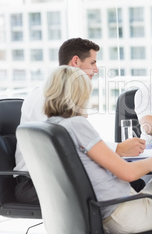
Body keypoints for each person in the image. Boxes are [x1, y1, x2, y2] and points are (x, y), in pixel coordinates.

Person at [43, 66, 152, 233]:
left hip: (102, 211)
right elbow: (127, 173)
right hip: (123, 214)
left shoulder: (52, 127)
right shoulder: (77, 125)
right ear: (79, 95)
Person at [14, 38, 145, 205]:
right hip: (35, 182)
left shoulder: (57, 93)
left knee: (125, 179)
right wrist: (117, 149)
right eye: (93, 62)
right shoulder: (49, 96)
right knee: (121, 179)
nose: (96, 69)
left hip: (49, 176)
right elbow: (63, 146)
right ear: (76, 61)